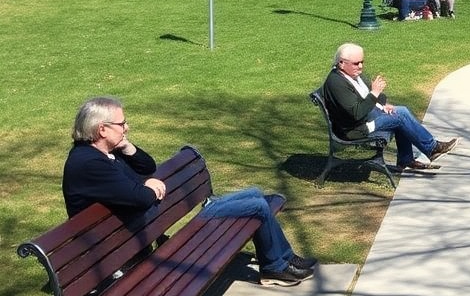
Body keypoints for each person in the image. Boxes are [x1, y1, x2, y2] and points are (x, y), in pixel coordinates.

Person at [62, 97, 316, 286]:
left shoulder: (105, 153)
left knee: (255, 193)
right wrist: (149, 187)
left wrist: (127, 147)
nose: (127, 127)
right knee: (258, 205)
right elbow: (141, 197)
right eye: (122, 124)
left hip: (152, 221)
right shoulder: (89, 163)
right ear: (102, 129)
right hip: (135, 235)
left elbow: (147, 166)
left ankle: (283, 259)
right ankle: (275, 266)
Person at [323, 44, 460, 173]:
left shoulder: (353, 76)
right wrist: (375, 93)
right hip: (356, 130)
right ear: (341, 63)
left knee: (397, 112)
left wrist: (382, 105)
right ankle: (432, 148)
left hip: (366, 119)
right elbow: (357, 113)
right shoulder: (337, 83)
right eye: (356, 63)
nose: (360, 66)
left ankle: (406, 160)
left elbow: (367, 98)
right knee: (400, 115)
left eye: (362, 62)